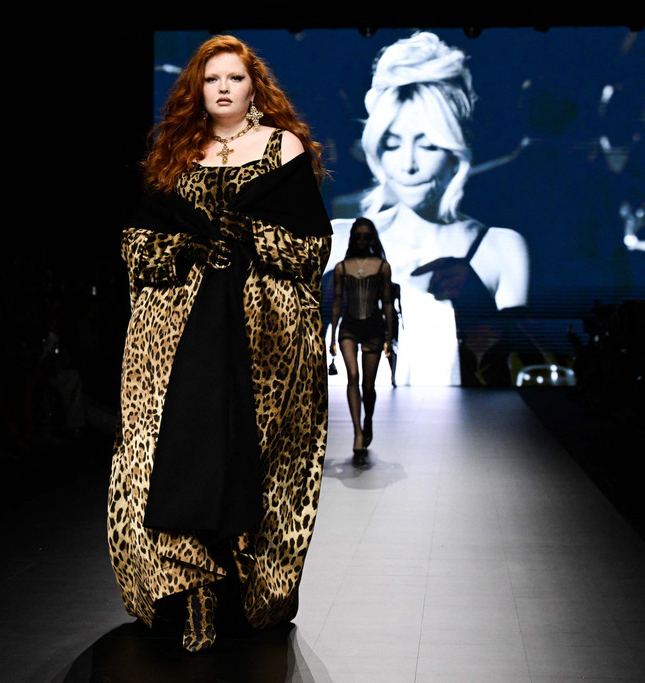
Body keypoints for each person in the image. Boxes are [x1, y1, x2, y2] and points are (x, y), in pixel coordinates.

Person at [108, 35, 332, 653]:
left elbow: (311, 247)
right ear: (197, 89)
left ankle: (240, 591)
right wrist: (189, 245)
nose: (224, 88)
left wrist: (250, 234)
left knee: (251, 451)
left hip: (262, 332)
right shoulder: (177, 152)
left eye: (235, 77)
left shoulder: (283, 148)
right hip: (176, 328)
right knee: (172, 450)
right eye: (212, 79)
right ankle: (190, 591)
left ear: (254, 87)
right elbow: (138, 244)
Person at [331, 31, 529, 386]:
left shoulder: (500, 249)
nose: (408, 164)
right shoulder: (335, 242)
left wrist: (479, 310)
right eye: (392, 144)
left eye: (428, 146)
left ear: (455, 149)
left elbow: (527, 382)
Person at [329, 218, 395, 463]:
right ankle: (357, 432)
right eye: (358, 236)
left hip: (374, 327)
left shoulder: (382, 266)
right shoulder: (341, 267)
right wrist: (332, 335)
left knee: (368, 385)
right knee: (353, 376)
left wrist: (390, 336)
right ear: (352, 237)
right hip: (349, 326)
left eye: (367, 236)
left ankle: (367, 421)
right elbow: (337, 301)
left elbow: (387, 303)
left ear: (372, 239)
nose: (362, 240)